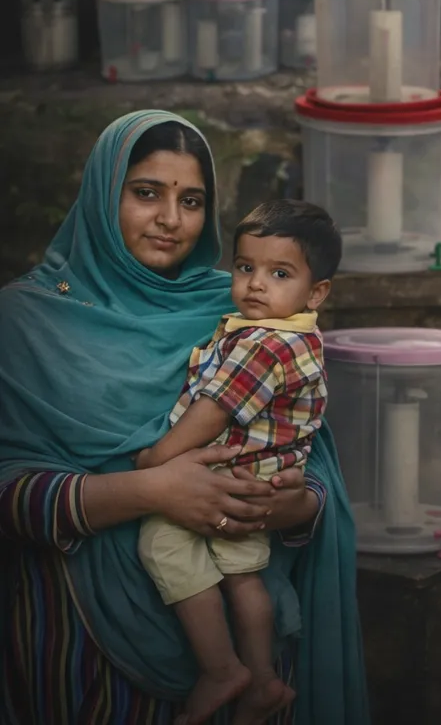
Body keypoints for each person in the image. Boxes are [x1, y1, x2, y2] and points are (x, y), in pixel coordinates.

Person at [0, 111, 367, 724]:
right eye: (147, 193)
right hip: (83, 644)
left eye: (191, 200)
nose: (171, 220)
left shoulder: (237, 307)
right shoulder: (24, 322)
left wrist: (287, 504)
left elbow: (312, 455)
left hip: (248, 634)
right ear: (101, 193)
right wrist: (147, 490)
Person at [133, 199, 339, 725]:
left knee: (162, 541)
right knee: (244, 578)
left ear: (317, 292)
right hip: (258, 483)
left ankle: (222, 668)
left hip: (230, 479)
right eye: (245, 267)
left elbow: (215, 409)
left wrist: (157, 458)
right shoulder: (299, 335)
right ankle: (263, 680)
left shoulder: (266, 343)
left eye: (279, 273)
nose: (255, 284)